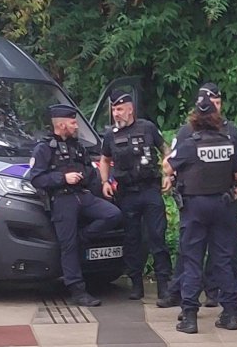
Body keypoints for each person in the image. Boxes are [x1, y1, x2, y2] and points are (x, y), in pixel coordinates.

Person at [161, 82, 237, 317]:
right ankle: (230, 314)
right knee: (224, 259)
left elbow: (168, 166)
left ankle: (189, 315)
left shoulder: (190, 142)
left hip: (195, 207)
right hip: (223, 204)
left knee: (192, 260)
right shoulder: (227, 142)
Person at [29, 103, 123, 307]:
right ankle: (78, 290)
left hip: (83, 195)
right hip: (62, 200)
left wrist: (88, 178)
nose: (76, 126)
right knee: (68, 247)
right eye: (73, 122)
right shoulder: (44, 149)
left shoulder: (77, 146)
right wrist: (63, 178)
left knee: (112, 214)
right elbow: (36, 179)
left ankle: (83, 237)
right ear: (61, 125)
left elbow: (90, 171)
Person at [97, 90, 172, 300]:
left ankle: (164, 285)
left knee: (157, 236)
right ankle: (136, 284)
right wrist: (105, 181)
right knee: (132, 239)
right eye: (113, 109)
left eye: (120, 109)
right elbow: (104, 159)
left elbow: (166, 150)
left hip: (150, 190)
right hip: (127, 193)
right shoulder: (111, 135)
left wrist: (169, 174)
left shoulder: (147, 127)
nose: (116, 113)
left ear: (130, 109)